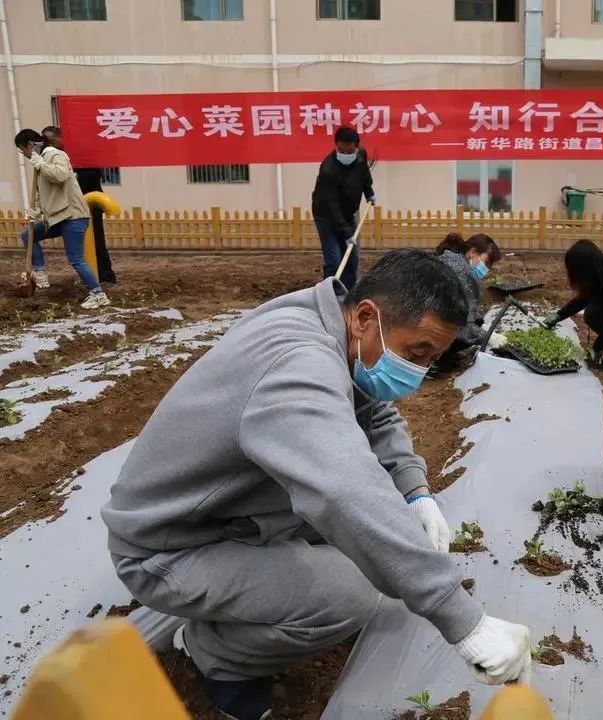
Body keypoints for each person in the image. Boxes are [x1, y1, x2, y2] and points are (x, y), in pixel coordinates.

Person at [102, 250, 531, 720]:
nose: (419, 373)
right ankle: (217, 655)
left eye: (431, 360)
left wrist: (414, 490)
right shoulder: (298, 363)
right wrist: (462, 620)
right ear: (367, 317)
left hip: (227, 514)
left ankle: (236, 604)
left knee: (373, 542)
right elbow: (344, 491)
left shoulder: (330, 319)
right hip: (167, 548)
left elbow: (374, 410)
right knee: (352, 593)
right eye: (417, 354)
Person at [13, 128, 109, 310]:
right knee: (28, 234)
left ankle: (98, 294)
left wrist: (41, 164)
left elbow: (61, 176)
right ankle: (40, 271)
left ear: (30, 146)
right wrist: (37, 210)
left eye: (22, 149)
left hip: (73, 216)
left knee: (76, 259)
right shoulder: (39, 163)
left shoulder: (56, 155)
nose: (23, 154)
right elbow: (47, 193)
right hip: (57, 217)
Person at [42, 125, 117, 284]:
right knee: (80, 246)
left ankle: (105, 275)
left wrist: (73, 177)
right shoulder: (59, 156)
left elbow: (93, 175)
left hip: (90, 206)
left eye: (51, 140)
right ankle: (89, 275)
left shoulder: (84, 156)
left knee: (97, 242)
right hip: (72, 208)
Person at [311, 126, 375, 290]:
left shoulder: (361, 156)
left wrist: (369, 192)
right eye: (341, 151)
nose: (345, 155)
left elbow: (365, 176)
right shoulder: (328, 170)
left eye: (349, 151)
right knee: (334, 259)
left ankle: (349, 292)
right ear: (336, 146)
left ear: (356, 147)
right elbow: (332, 206)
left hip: (348, 212)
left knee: (352, 258)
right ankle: (329, 293)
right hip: (326, 215)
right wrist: (347, 232)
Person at [433, 232, 506, 372]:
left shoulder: (451, 259)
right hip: (428, 325)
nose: (487, 269)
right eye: (487, 262)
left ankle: (441, 355)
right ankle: (436, 358)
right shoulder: (460, 270)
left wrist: (482, 325)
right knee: (466, 334)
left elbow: (466, 308)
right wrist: (489, 337)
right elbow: (461, 324)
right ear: (472, 252)